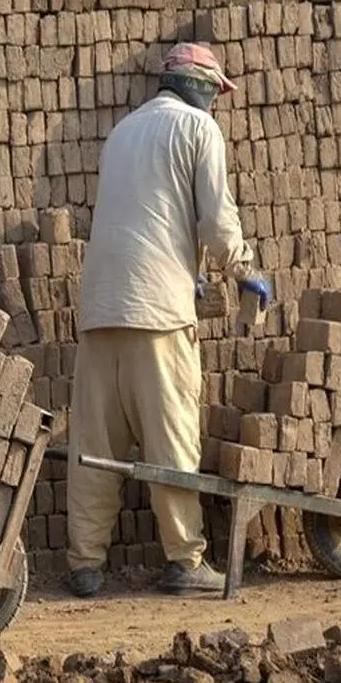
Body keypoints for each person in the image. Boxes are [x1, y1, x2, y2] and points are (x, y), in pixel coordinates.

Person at [66, 43, 272, 598]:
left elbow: (140, 216)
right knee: (171, 439)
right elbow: (218, 222)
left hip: (100, 307)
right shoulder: (200, 131)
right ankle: (185, 560)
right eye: (216, 95)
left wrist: (188, 271)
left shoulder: (122, 133)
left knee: (95, 444)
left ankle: (84, 564)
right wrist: (244, 268)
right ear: (204, 87)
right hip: (158, 314)